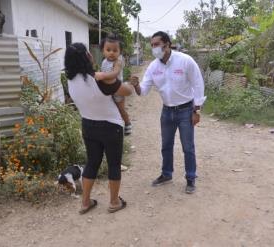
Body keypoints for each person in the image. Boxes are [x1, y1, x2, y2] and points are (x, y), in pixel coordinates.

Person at [130, 31, 206, 194]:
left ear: (167, 44)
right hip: (167, 111)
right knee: (166, 146)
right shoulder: (153, 66)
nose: (154, 48)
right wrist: (136, 85)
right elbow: (143, 91)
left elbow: (198, 84)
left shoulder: (185, 61)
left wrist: (196, 110)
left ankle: (191, 178)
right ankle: (166, 174)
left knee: (188, 147)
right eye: (152, 45)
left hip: (186, 110)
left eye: (156, 44)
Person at [64, 42, 132, 214]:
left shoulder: (70, 80)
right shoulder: (98, 79)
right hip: (110, 127)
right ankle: (114, 202)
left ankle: (86, 202)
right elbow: (126, 91)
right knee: (114, 165)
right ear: (87, 56)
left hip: (88, 125)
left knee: (92, 163)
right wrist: (128, 81)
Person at [100, 34, 132, 135]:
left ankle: (127, 123)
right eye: (108, 50)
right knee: (109, 108)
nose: (111, 53)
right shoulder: (104, 61)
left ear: (120, 52)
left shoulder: (118, 61)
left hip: (117, 89)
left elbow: (114, 74)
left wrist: (102, 76)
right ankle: (113, 125)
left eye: (115, 50)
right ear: (103, 50)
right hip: (107, 88)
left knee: (120, 108)